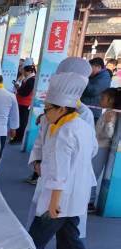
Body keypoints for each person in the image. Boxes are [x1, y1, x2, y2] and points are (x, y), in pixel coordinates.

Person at [28, 72, 100, 249]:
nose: (45, 114)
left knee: (35, 238)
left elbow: (60, 172)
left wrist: (53, 204)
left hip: (60, 196)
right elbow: (93, 151)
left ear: (61, 109)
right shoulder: (81, 125)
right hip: (76, 192)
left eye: (47, 109)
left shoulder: (64, 132)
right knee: (69, 237)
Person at [28, 57, 97, 185]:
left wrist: (61, 164)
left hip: (70, 176)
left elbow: (91, 149)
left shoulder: (85, 114)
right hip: (46, 173)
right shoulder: (51, 110)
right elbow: (40, 140)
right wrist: (37, 161)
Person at [90, 88, 119, 211]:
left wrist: (108, 123)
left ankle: (90, 202)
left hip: (102, 148)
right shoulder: (107, 111)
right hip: (97, 146)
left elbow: (108, 134)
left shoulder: (112, 114)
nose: (100, 100)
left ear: (111, 100)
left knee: (93, 174)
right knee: (91, 173)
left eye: (103, 98)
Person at [12, 60, 36, 142]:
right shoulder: (27, 79)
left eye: (24, 71)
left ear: (29, 71)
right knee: (20, 120)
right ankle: (17, 136)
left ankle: (19, 138)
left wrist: (18, 88)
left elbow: (25, 93)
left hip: (25, 104)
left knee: (22, 122)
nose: (23, 73)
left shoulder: (31, 80)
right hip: (21, 103)